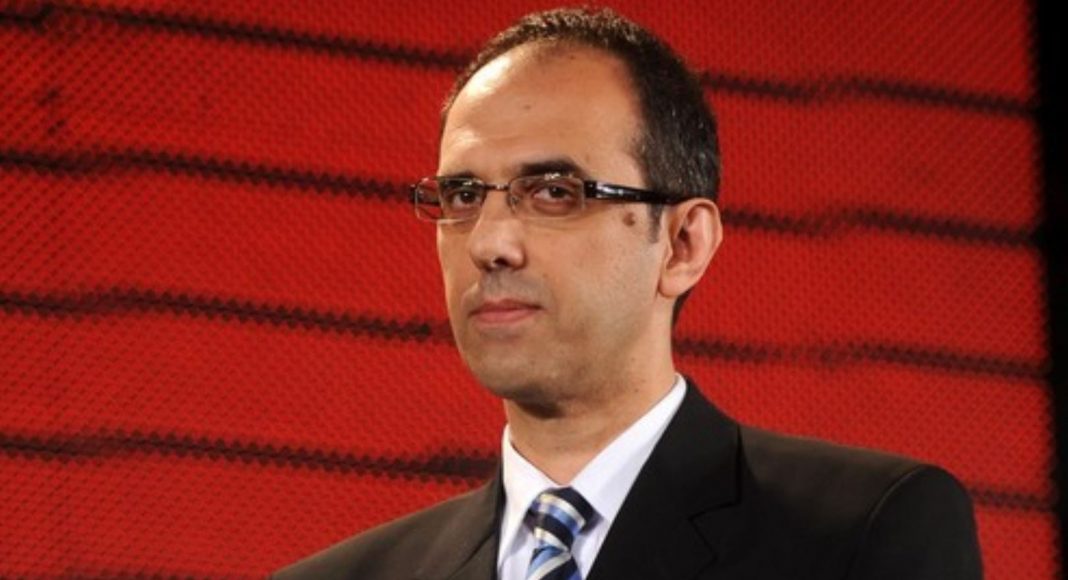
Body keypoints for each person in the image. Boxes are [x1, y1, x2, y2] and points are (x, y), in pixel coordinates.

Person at [275, 7, 982, 579]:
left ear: (683, 244)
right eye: (462, 195)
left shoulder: (863, 533)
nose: (489, 243)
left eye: (555, 192)